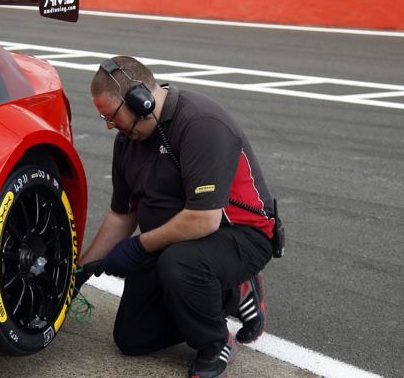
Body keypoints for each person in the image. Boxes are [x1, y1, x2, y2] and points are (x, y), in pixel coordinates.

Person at [76, 55, 275, 378]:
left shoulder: (202, 124)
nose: (110, 126)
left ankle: (215, 341)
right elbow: (121, 215)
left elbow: (204, 220)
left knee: (180, 266)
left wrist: (138, 248)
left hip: (240, 235)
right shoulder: (128, 142)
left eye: (112, 117)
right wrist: (81, 271)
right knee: (132, 338)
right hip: (174, 245)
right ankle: (221, 293)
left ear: (141, 101)